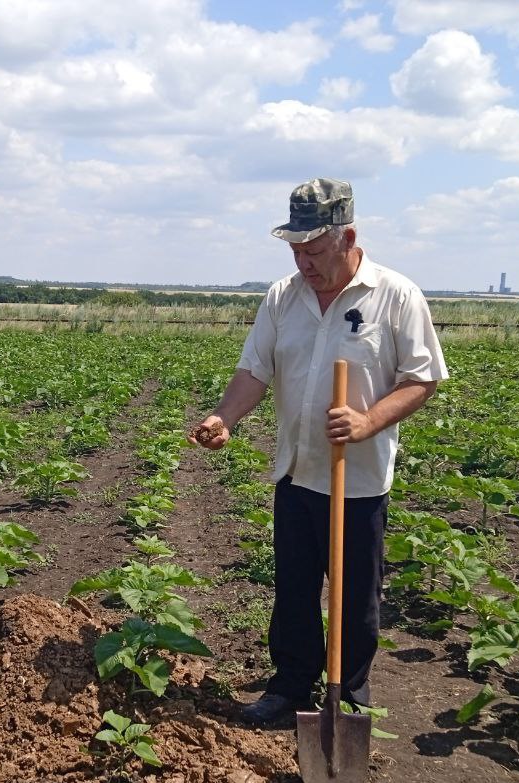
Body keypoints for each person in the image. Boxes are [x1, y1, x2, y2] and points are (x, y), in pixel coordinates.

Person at [190, 177, 449, 726]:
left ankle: (348, 695)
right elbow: (255, 370)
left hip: (357, 481)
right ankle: (289, 686)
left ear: (348, 235)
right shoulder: (283, 298)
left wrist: (367, 421)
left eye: (313, 250)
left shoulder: (395, 296)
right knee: (294, 590)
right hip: (298, 470)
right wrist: (223, 416)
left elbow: (422, 378)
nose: (303, 263)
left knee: (355, 599)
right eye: (294, 250)